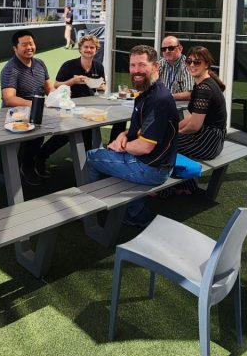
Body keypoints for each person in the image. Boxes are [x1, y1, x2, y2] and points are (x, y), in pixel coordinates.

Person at [85, 44, 180, 228]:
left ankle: (94, 213)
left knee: (92, 156)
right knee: (111, 157)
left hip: (152, 169)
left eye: (142, 65)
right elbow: (141, 129)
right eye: (132, 65)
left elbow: (144, 147)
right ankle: (136, 212)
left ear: (156, 66)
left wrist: (119, 146)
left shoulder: (157, 99)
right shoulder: (148, 93)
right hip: (157, 163)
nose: (136, 70)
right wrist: (123, 134)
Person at [0, 30, 59, 184]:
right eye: (24, 44)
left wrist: (59, 99)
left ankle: (40, 156)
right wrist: (37, 105)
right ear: (15, 48)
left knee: (66, 128)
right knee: (35, 131)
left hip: (38, 110)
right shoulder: (10, 68)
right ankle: (25, 166)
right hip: (16, 114)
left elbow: (49, 89)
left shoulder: (40, 63)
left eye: (31, 43)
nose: (29, 47)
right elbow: (9, 99)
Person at [172, 47, 227, 196]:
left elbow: (194, 126)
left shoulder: (204, 88)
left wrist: (172, 135)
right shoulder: (202, 83)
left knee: (163, 144)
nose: (191, 65)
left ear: (207, 64)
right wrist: (172, 129)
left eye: (197, 62)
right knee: (167, 138)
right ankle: (187, 186)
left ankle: (168, 186)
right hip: (214, 139)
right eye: (189, 61)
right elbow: (192, 117)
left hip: (207, 142)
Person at [51, 33, 107, 153]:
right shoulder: (69, 65)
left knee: (87, 132)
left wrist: (102, 87)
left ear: (96, 50)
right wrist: (73, 81)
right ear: (80, 49)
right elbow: (56, 85)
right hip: (69, 105)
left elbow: (102, 86)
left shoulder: (98, 66)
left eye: (92, 47)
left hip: (89, 106)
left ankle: (86, 160)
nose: (88, 50)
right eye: (86, 47)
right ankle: (41, 157)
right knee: (65, 133)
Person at [158, 35, 193, 100]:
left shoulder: (188, 65)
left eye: (171, 48)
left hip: (180, 106)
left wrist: (167, 97)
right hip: (161, 103)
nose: (167, 51)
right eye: (163, 49)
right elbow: (149, 85)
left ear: (180, 49)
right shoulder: (159, 64)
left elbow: (190, 94)